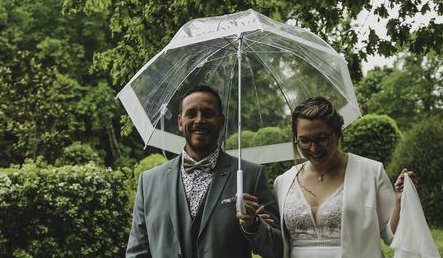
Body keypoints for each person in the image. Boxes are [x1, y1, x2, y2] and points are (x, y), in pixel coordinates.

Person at [126, 85, 282, 258]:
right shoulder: (148, 182)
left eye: (208, 114)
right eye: (191, 114)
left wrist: (253, 225)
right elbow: (137, 252)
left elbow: (277, 249)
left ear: (221, 121)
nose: (199, 120)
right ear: (180, 122)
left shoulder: (251, 175)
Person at [271, 96, 413, 258]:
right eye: (304, 140)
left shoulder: (371, 172)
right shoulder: (282, 182)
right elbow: (276, 242)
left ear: (337, 134)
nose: (314, 147)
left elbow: (392, 236)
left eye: (322, 138)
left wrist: (399, 201)